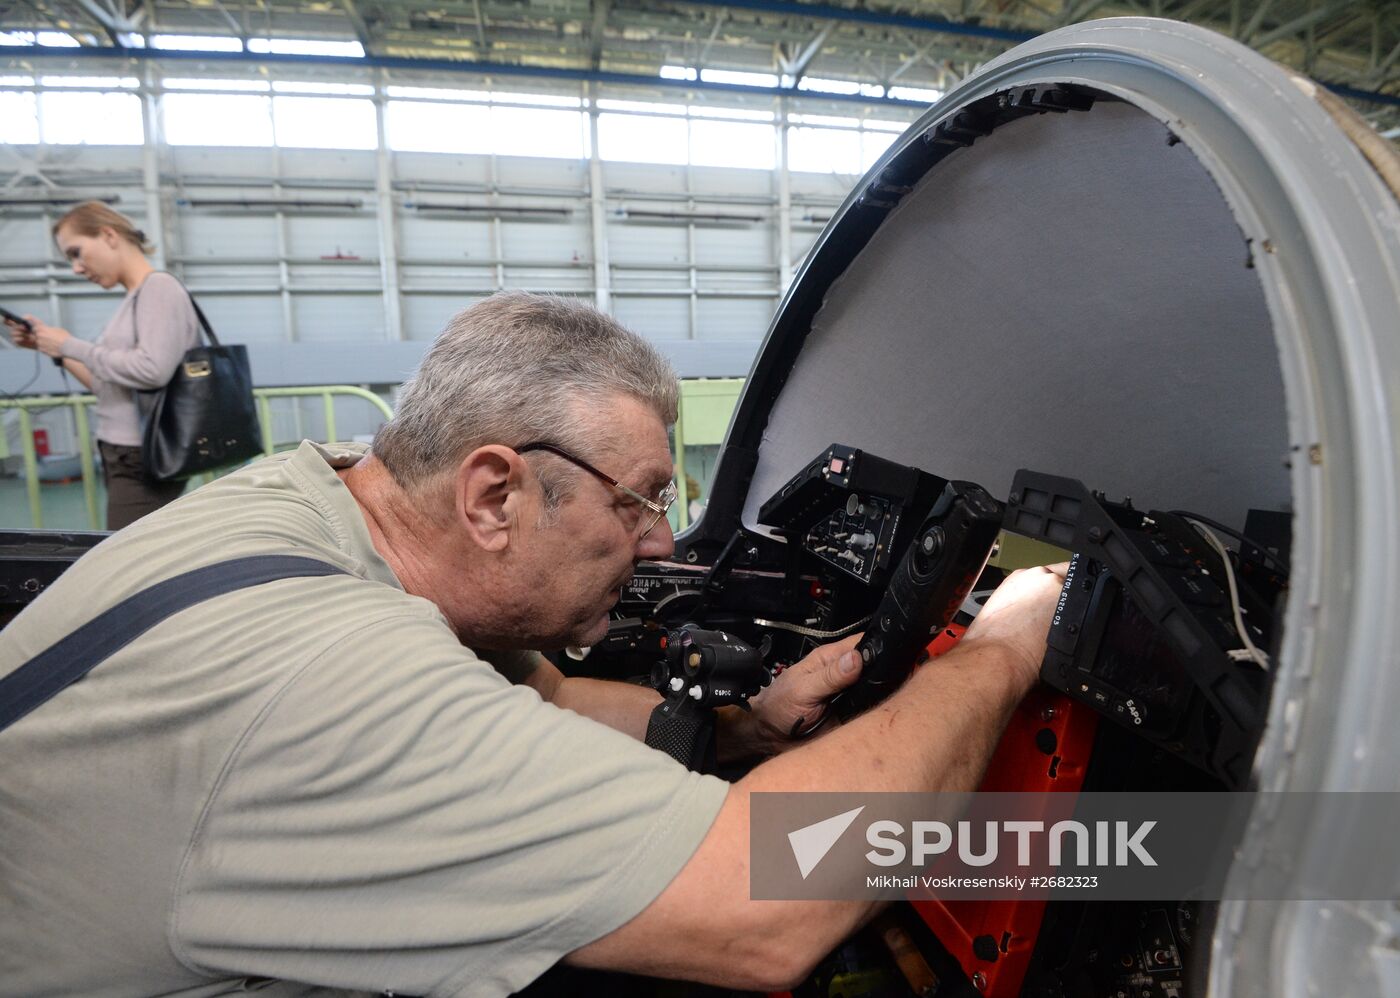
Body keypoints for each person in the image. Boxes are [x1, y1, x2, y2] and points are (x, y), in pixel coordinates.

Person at [0, 292, 1065, 997]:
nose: (655, 543)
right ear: (494, 492)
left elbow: (543, 696)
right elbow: (764, 905)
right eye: (639, 501)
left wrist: (743, 725)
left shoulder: (313, 492)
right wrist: (1004, 646)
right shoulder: (340, 681)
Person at [3, 201, 199, 530]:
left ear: (108, 235)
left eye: (76, 252)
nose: (77, 268)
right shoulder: (135, 298)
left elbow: (152, 370)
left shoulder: (159, 288)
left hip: (142, 457)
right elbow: (105, 384)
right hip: (124, 454)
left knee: (128, 561)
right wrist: (51, 347)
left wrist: (70, 344)